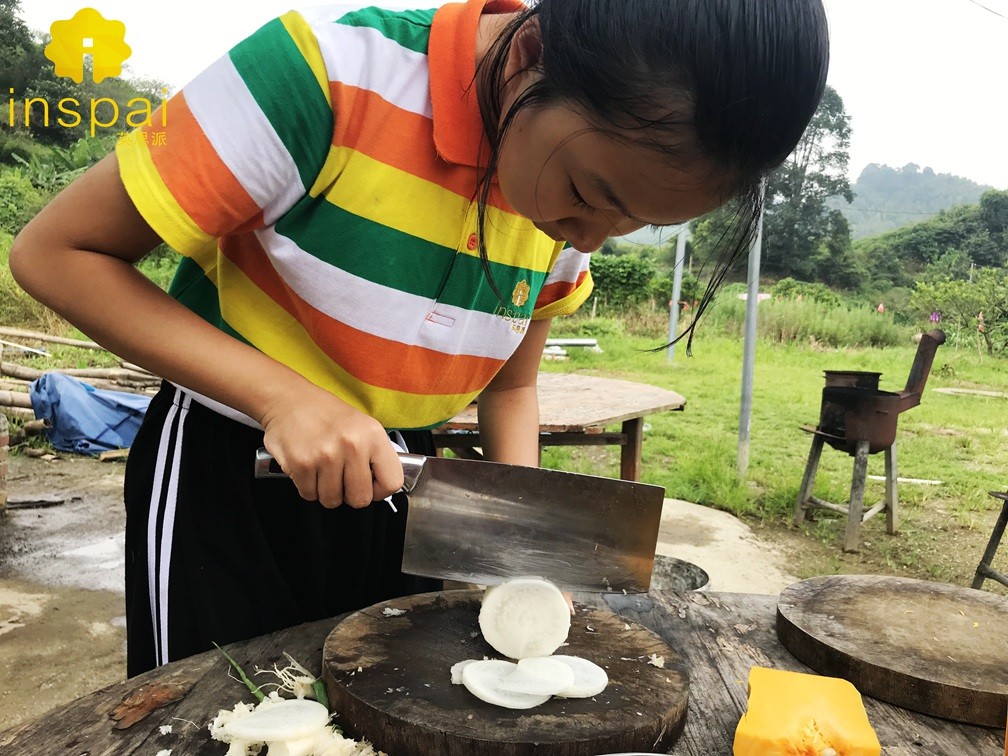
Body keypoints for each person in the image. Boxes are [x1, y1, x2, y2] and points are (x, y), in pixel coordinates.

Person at [10, 0, 829, 675]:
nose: (596, 235)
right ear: (529, 54)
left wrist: (520, 542)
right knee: (216, 712)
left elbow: (510, 384)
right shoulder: (323, 78)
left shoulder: (578, 195)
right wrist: (283, 399)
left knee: (373, 708)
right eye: (590, 193)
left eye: (640, 221)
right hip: (231, 472)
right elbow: (58, 254)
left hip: (406, 483)